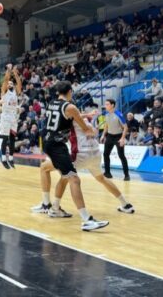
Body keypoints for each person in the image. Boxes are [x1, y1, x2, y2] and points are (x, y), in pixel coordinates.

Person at [38, 82, 109, 231]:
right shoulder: (70, 107)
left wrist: (84, 115)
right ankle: (86, 220)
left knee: (58, 173)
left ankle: (53, 207)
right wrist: (91, 130)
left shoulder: (52, 103)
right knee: (74, 179)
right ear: (70, 91)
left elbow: (71, 115)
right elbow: (84, 128)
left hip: (49, 143)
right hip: (57, 147)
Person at [0, 65, 22, 169]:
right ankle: (3, 158)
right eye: (9, 83)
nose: (10, 84)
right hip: (5, 116)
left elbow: (19, 84)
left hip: (13, 117)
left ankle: (11, 158)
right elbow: (6, 80)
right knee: (4, 138)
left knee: (12, 139)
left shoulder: (15, 92)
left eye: (12, 83)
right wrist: (9, 70)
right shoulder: (3, 92)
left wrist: (15, 74)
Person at [100, 99, 130, 181]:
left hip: (118, 137)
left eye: (107, 104)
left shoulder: (118, 114)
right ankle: (107, 173)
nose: (105, 106)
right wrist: (103, 135)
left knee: (121, 156)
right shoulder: (106, 114)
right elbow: (106, 125)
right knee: (105, 154)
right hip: (110, 136)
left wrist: (122, 138)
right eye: (105, 104)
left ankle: (126, 175)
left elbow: (125, 127)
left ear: (112, 105)